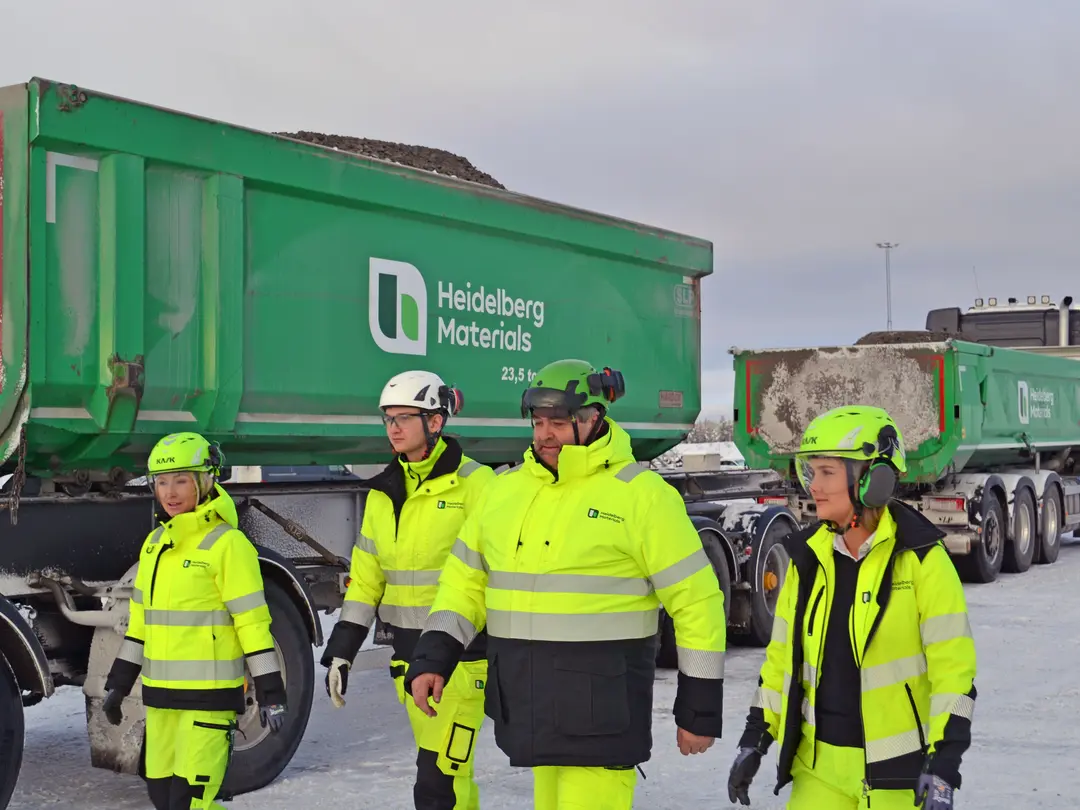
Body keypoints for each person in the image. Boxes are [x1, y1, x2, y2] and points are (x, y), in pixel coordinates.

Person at [404, 358, 727, 810]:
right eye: (538, 422)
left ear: (594, 418)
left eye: (558, 422)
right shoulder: (504, 492)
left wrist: (699, 707)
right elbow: (464, 583)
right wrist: (433, 656)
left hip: (602, 718)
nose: (544, 435)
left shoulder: (642, 496)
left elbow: (697, 602)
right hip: (530, 711)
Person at [726, 405, 977, 810]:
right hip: (818, 772)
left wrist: (944, 765)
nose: (814, 486)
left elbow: (955, 673)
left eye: (827, 472)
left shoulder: (922, 560)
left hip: (896, 777)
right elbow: (779, 666)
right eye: (811, 472)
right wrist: (755, 739)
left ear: (872, 480)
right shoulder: (807, 560)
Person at [321, 370, 496, 810]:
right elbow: (366, 581)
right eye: (388, 418)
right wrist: (342, 649)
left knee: (437, 787)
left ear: (435, 422)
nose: (393, 428)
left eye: (405, 417)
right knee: (451, 785)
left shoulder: (477, 486)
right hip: (406, 662)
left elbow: (490, 576)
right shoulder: (383, 494)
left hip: (462, 661)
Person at [102, 432, 287, 810]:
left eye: (181, 480)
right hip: (162, 703)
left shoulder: (228, 545)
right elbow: (141, 626)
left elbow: (252, 624)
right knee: (161, 797)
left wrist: (271, 692)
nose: (170, 492)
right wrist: (117, 685)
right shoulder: (155, 545)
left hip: (208, 702)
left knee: (191, 803)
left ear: (205, 481)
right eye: (162, 482)